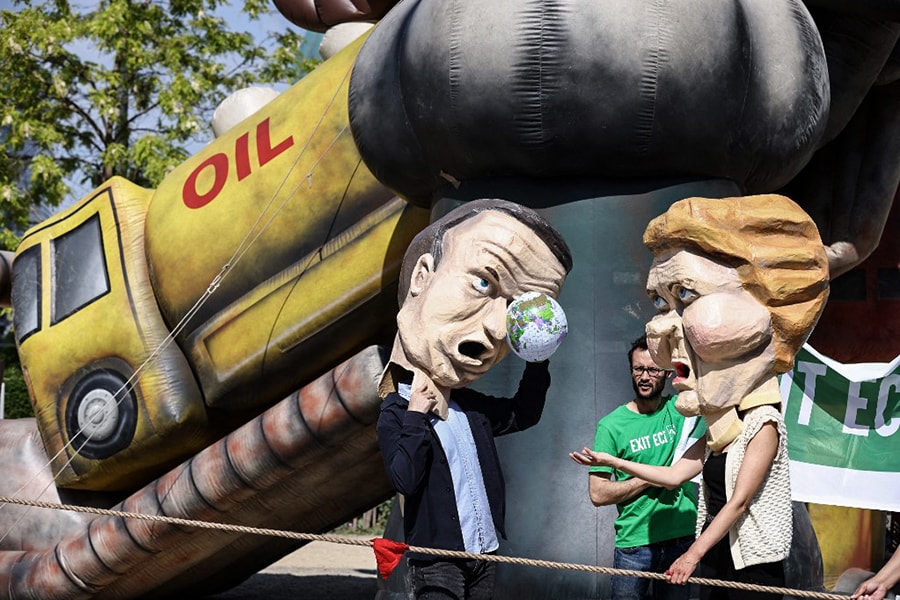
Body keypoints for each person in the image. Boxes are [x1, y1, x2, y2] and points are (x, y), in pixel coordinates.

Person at [573, 194, 829, 600]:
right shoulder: (718, 433)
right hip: (718, 562)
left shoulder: (762, 424)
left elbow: (740, 502)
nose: (660, 332)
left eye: (687, 294)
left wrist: (692, 554)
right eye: (659, 301)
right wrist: (610, 461)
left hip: (752, 569)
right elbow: (674, 474)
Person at [377, 198, 573, 599]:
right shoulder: (396, 412)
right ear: (421, 277)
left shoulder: (471, 411)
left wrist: (537, 357)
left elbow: (523, 414)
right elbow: (403, 478)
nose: (494, 332)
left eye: (515, 311)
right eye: (483, 282)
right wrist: (416, 414)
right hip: (437, 561)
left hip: (484, 554)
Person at [571, 335, 705, 600]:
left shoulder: (683, 410)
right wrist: (653, 477)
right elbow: (598, 494)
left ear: (666, 373)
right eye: (638, 369)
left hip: (682, 540)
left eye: (652, 369)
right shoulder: (611, 425)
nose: (645, 376)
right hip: (635, 545)